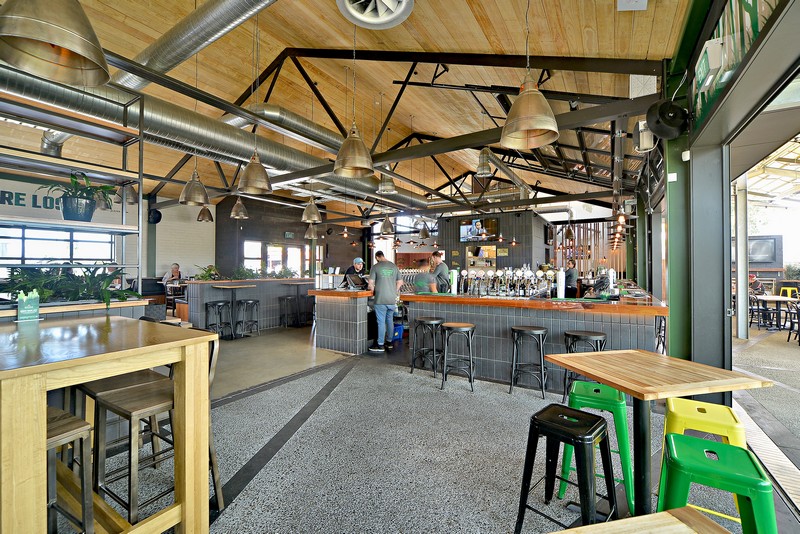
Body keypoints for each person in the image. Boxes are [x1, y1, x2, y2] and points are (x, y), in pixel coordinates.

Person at [368, 251, 403, 353]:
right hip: (391, 299)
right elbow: (400, 282)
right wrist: (394, 291)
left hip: (380, 299)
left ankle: (380, 345)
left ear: (377, 257)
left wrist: (373, 291)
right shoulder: (394, 266)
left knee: (381, 322)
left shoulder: (375, 267)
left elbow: (370, 283)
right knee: (389, 320)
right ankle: (389, 342)